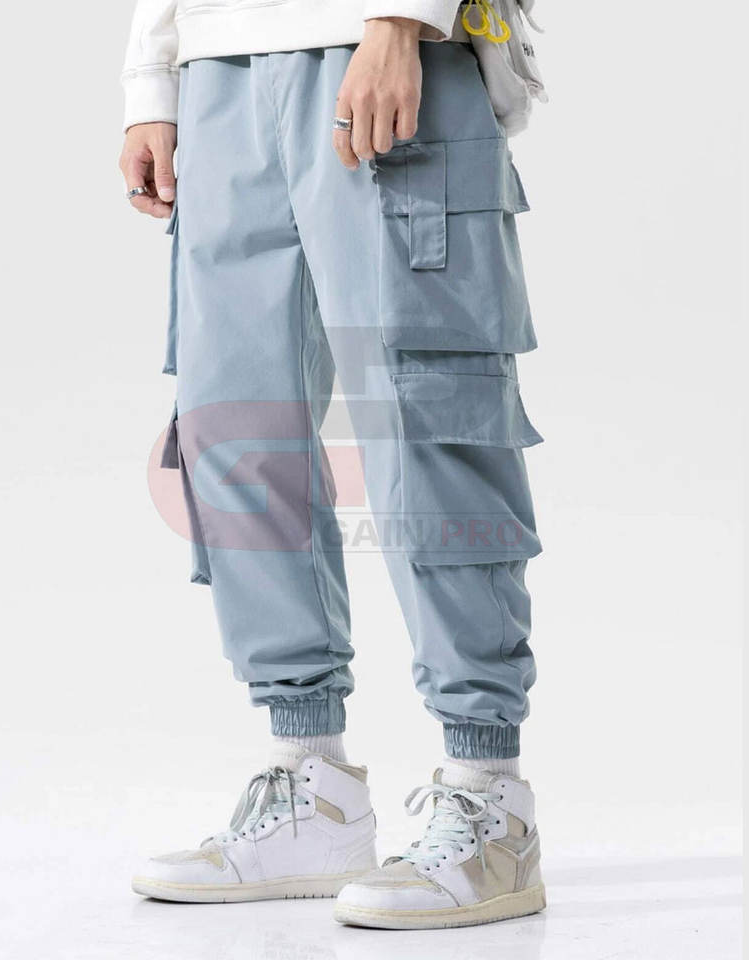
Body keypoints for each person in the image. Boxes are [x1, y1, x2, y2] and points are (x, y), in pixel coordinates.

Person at [120, 0, 546, 929]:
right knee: (237, 430)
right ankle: (313, 793)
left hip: (378, 45)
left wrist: (403, 21)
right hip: (219, 68)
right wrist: (152, 78)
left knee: (429, 419)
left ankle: (491, 798)